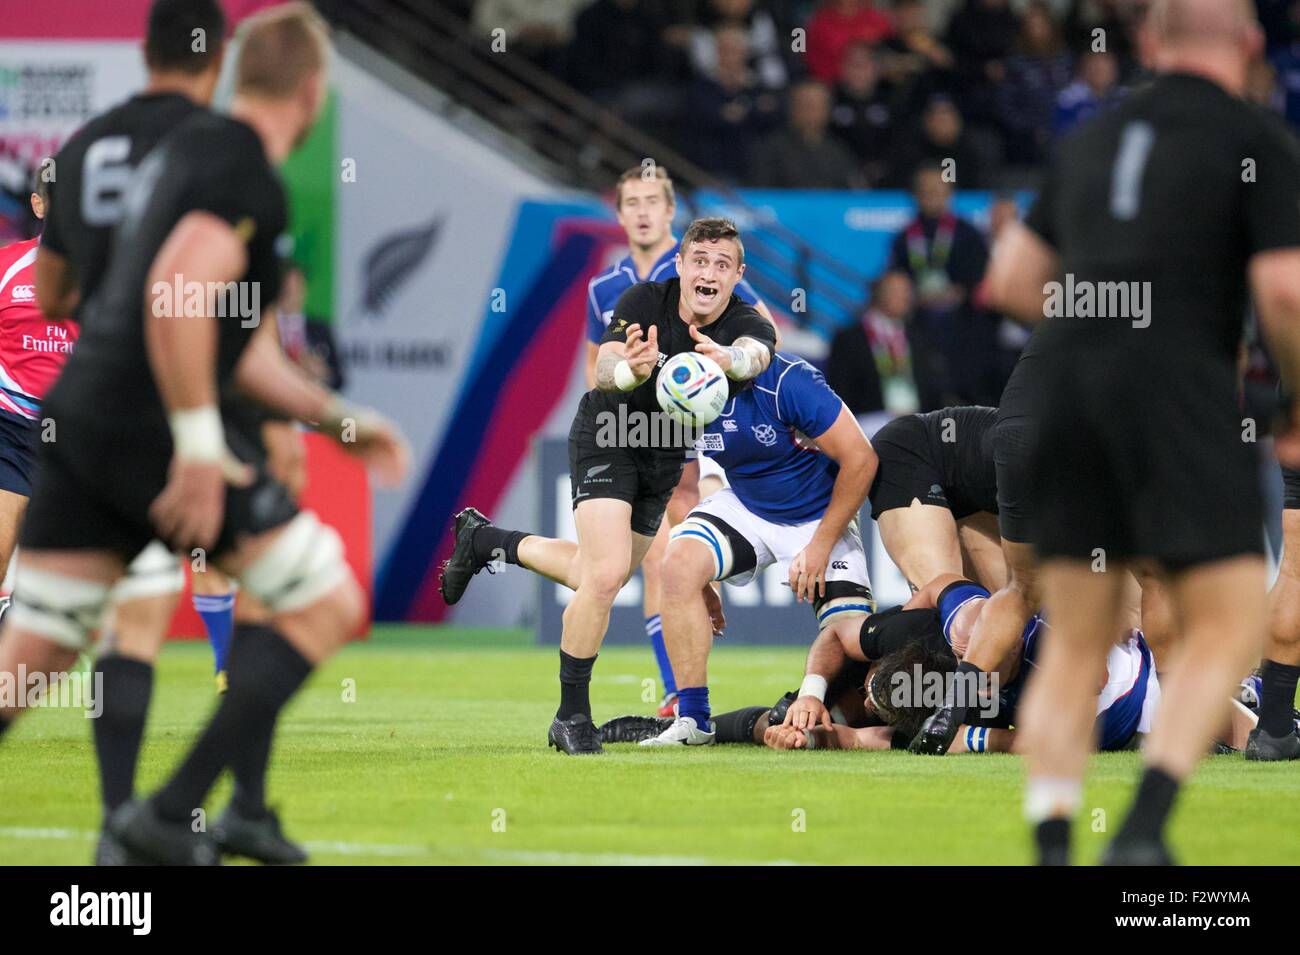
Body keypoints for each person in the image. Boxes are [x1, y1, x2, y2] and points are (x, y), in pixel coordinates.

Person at [1, 4, 408, 865]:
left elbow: (74, 296)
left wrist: (340, 418)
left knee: (30, 654)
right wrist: (194, 439)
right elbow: (178, 294)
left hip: (78, 422)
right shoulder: (234, 163)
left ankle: (180, 818)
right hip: (153, 430)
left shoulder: (128, 149)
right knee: (324, 601)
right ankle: (173, 812)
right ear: (311, 89)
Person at [983, 0, 1300, 865]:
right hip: (1181, 404)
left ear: (1150, 44)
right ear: (1250, 45)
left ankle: (1054, 842)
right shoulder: (1258, 141)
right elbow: (1284, 295)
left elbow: (1012, 281)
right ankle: (1142, 830)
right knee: (1231, 621)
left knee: (1079, 642)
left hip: (1066, 399)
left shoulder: (1090, 141)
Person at [441, 217, 776, 754]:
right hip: (608, 435)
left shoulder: (744, 323)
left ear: (738, 274)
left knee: (596, 574)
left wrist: (728, 359)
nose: (708, 272)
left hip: (665, 458)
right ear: (682, 266)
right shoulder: (645, 299)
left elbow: (759, 353)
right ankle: (571, 716)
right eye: (699, 261)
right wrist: (630, 373)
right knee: (602, 577)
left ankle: (486, 541)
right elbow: (605, 367)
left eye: (721, 264)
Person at [581, 167, 777, 715]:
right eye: (632, 203)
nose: (643, 212)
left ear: (671, 213)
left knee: (667, 544)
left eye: (653, 202)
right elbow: (596, 360)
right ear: (618, 214)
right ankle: (676, 690)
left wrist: (729, 367)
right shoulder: (606, 286)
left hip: (700, 425)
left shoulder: (698, 261)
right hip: (637, 426)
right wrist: (608, 406)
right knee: (630, 561)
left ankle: (682, 689)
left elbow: (760, 324)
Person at [639, 353, 877, 745]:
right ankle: (693, 721)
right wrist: (699, 583)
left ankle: (808, 716)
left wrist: (820, 547)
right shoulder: (672, 393)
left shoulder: (787, 381)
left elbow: (862, 458)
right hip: (747, 504)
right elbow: (682, 491)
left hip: (817, 515)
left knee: (853, 664)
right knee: (678, 564)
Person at [749, 80, 862, 189]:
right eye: (806, 105)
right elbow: (762, 193)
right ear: (792, 108)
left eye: (818, 106)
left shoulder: (838, 150)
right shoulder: (770, 148)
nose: (811, 113)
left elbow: (854, 192)